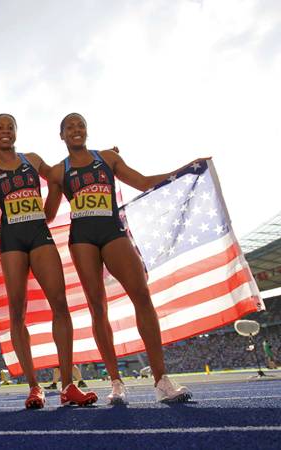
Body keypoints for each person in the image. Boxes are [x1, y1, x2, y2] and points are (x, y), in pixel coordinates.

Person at [0, 113, 97, 409]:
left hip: (40, 236)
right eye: (0, 128)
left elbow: (63, 174)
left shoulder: (33, 159)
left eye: (10, 127)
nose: (5, 131)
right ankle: (34, 387)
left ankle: (67, 385)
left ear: (16, 132)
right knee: (16, 312)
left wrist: (97, 161)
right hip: (12, 241)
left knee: (60, 305)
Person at [45, 112, 199, 404]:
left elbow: (142, 182)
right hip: (82, 239)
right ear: (61, 135)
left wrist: (184, 170)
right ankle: (116, 383)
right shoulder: (57, 171)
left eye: (81, 125)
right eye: (70, 127)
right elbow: (48, 214)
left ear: (86, 132)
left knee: (141, 294)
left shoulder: (107, 158)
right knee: (97, 307)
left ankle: (161, 380)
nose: (76, 129)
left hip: (112, 232)